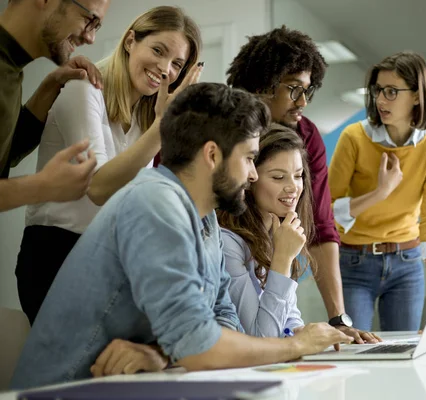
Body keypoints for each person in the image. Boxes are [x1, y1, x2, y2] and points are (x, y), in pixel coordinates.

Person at [10, 82, 352, 390]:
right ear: (213, 154)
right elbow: (198, 344)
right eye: (249, 158)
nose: (251, 174)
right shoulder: (156, 204)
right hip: (64, 391)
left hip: (126, 386)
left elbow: (222, 319)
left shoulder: (206, 221)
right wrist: (297, 344)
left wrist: (162, 352)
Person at [15, 5, 203, 324]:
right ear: (130, 41)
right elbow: (99, 188)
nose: (164, 68)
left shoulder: (146, 120)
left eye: (177, 64)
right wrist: (163, 126)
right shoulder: (84, 88)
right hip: (54, 254)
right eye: (158, 50)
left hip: (107, 258)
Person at [226, 26, 374, 343]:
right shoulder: (219, 129)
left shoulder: (307, 135)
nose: (303, 101)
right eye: (294, 89)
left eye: (308, 90)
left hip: (269, 256)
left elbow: (321, 223)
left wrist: (337, 319)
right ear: (262, 85)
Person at [328, 51, 426, 333]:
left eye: (391, 92)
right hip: (354, 262)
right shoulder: (353, 138)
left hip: (406, 265)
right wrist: (379, 192)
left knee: (404, 357)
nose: (380, 100)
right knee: (352, 351)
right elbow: (328, 212)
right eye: (377, 91)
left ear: (417, 96)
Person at [219, 124, 379, 343]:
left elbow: (287, 324)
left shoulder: (276, 233)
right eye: (278, 177)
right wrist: (282, 259)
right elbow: (264, 338)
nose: (293, 187)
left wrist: (329, 333)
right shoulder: (227, 244)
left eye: (298, 175)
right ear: (250, 178)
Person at [0, 0, 112, 212]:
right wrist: (41, 187)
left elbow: (6, 153)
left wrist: (51, 85)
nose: (90, 38)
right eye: (90, 20)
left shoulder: (11, 69)